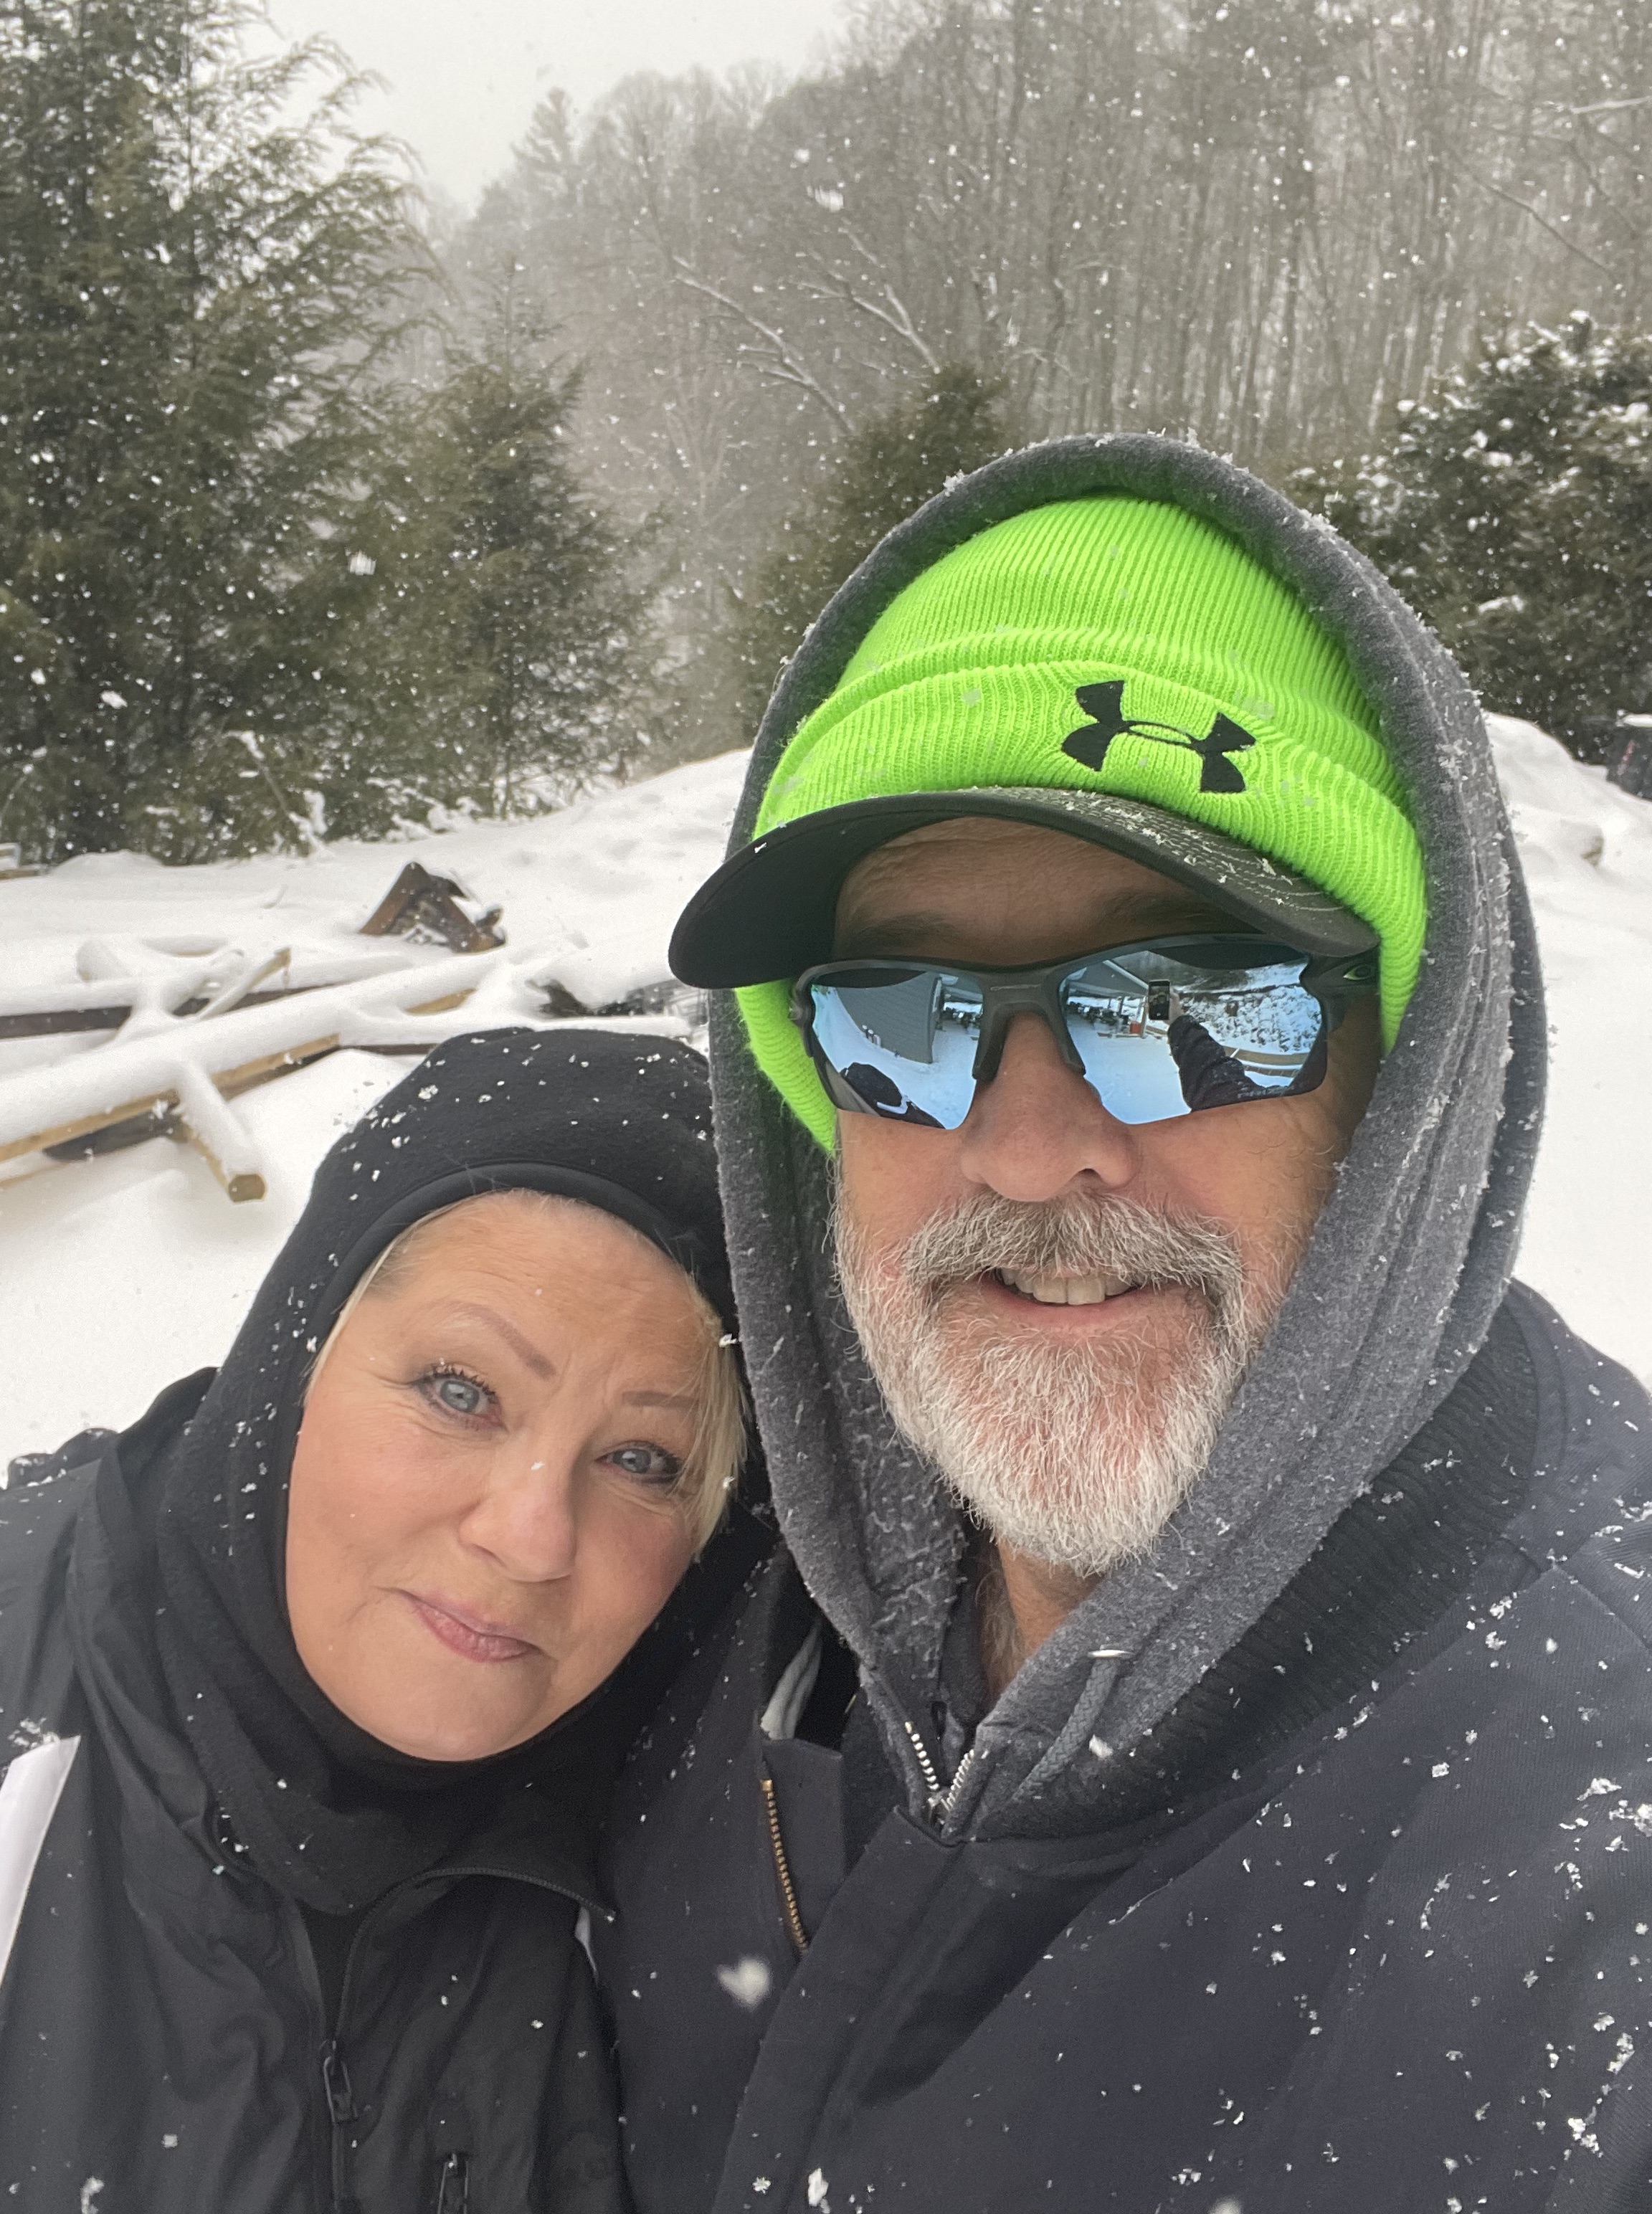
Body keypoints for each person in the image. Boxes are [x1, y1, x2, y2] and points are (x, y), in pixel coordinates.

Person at [598, 440, 1652, 2213]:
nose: (1028, 1147)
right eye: (900, 1016)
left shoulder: (1581, 1881)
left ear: (1408, 1085)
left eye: (1187, 1002)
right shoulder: (695, 1569)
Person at [0, 1026, 765, 2212]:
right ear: (292, 1367)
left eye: (641, 1459)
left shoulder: (719, 1840)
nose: (531, 1535)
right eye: (460, 1392)